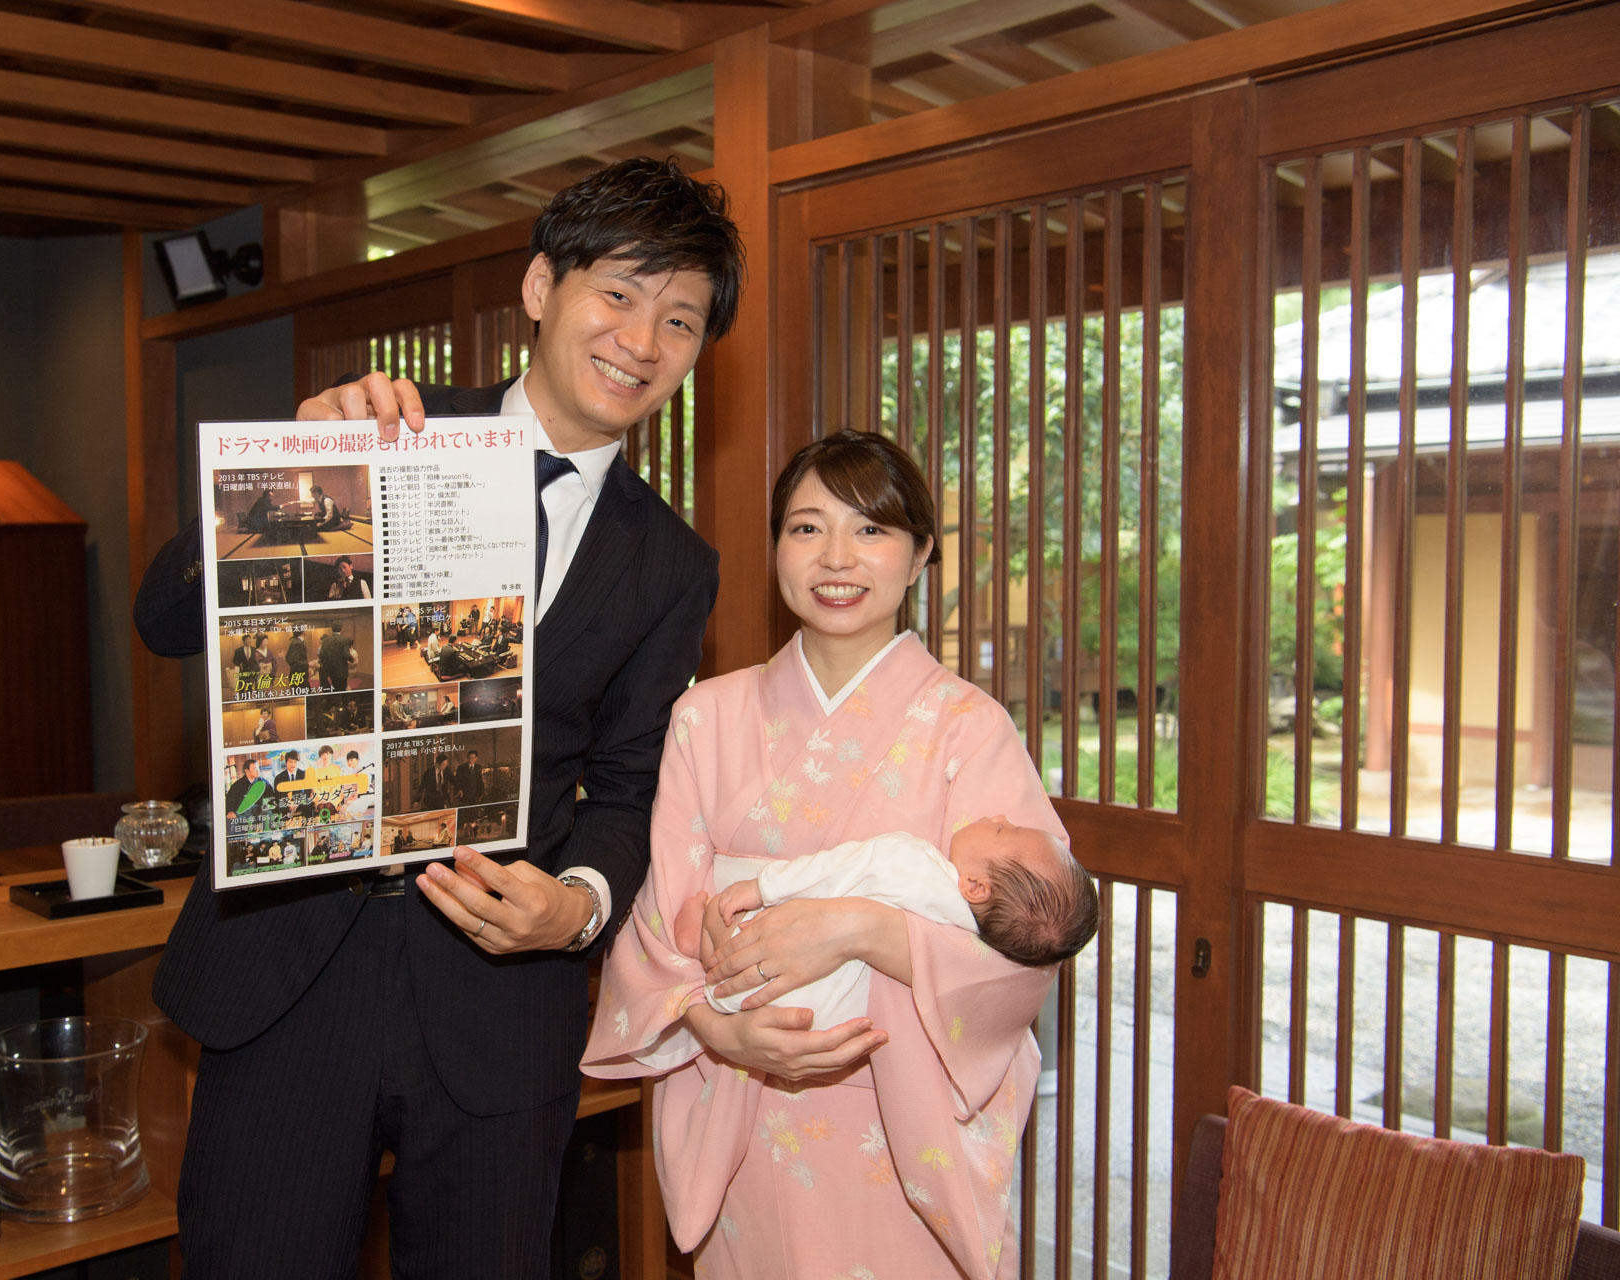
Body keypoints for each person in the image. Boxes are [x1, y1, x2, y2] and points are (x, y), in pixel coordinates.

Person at [137, 156, 739, 1279]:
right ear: (539, 288)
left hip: (499, 997)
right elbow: (163, 619)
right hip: (292, 967)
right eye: (617, 293)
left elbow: (625, 785)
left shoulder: (671, 564)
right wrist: (293, 467)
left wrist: (579, 905)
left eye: (681, 320)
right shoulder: (385, 430)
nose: (641, 341)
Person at [583, 430, 1069, 1278]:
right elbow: (660, 925)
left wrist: (857, 930)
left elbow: (1028, 945)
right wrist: (714, 1030)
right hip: (745, 1104)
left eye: (870, 530)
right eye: (807, 528)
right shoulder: (708, 717)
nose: (836, 556)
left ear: (919, 556)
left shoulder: (969, 728)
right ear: (775, 547)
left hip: (904, 1126)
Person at [696, 816, 1096, 1027]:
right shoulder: (968, 936)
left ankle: (698, 935)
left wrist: (763, 886)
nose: (999, 814)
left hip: (767, 975)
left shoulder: (911, 860)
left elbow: (830, 869)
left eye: (1001, 829)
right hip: (824, 1015)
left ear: (975, 886)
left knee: (721, 921)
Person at [317, 622, 355, 692]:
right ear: (341, 629)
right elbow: (346, 654)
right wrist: (352, 659)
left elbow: (321, 654)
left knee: (333, 688)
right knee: (342, 689)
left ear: (332, 629)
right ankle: (341, 702)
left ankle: (335, 701)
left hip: (330, 670)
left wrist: (326, 663)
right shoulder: (344, 640)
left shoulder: (325, 641)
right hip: (341, 670)